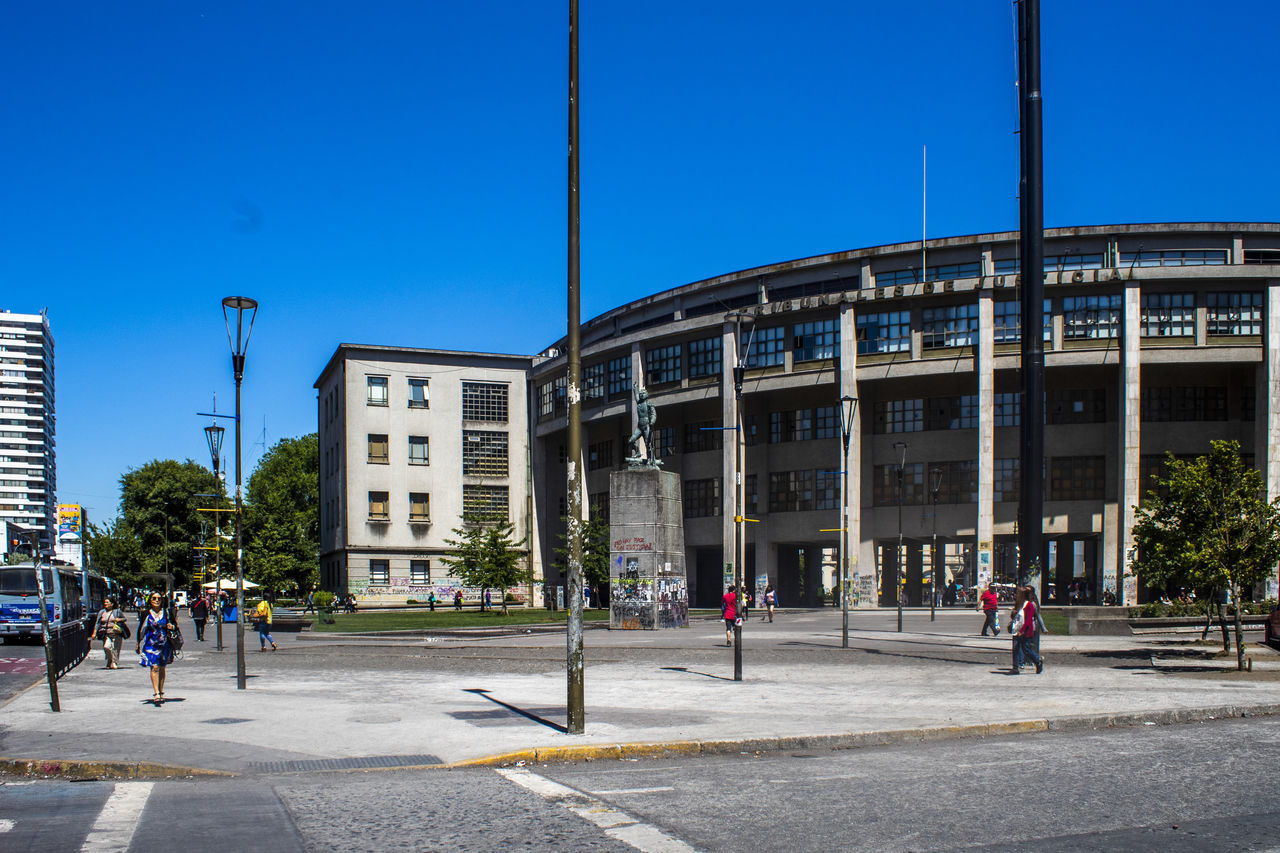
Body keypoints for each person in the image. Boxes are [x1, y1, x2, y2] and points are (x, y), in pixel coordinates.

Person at [135, 592, 174, 705]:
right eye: (154, 598)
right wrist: (138, 642)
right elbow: (142, 629)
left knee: (162, 668)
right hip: (151, 645)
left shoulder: (166, 613)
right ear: (150, 600)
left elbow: (174, 625)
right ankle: (156, 693)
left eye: (159, 598)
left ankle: (161, 691)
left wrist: (171, 626)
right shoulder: (146, 613)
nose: (157, 600)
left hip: (164, 644)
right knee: (154, 667)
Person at [1009, 586, 1044, 675]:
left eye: (1019, 593)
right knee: (1015, 648)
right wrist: (1013, 613)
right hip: (1017, 629)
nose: (1016, 595)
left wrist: (1022, 631)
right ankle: (1015, 668)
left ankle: (1037, 660)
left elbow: (1028, 620)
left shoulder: (1029, 605)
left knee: (1026, 649)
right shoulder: (1018, 603)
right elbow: (1016, 616)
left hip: (1026, 630)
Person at [94, 595, 126, 669]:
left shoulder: (117, 612)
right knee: (107, 647)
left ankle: (114, 663)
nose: (106, 604)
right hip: (106, 633)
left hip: (116, 632)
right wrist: (94, 632)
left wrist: (119, 620)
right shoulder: (102, 612)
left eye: (107, 602)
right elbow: (98, 623)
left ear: (112, 604)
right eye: (105, 603)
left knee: (115, 649)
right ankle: (110, 660)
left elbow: (124, 619)